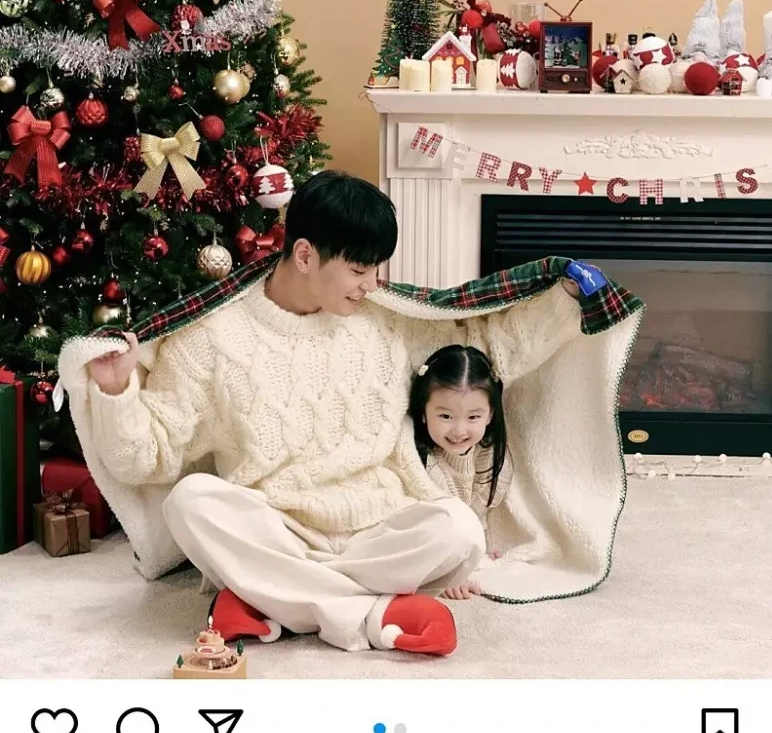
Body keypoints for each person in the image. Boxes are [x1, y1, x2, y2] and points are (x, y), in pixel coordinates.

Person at [82, 171, 587, 658]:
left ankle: (276, 602)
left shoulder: (386, 320)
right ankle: (372, 614)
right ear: (305, 254)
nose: (371, 284)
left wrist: (563, 302)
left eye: (376, 269)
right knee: (190, 502)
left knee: (460, 530)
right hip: (280, 531)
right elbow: (144, 459)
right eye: (359, 269)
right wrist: (115, 390)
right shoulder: (210, 337)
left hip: (380, 528)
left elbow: (484, 347)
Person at [409, 345, 511, 601]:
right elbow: (421, 526)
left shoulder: (491, 456)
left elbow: (478, 512)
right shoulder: (416, 458)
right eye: (445, 416)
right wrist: (446, 572)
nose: (459, 430)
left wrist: (478, 549)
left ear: (490, 415)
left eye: (473, 417)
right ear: (424, 413)